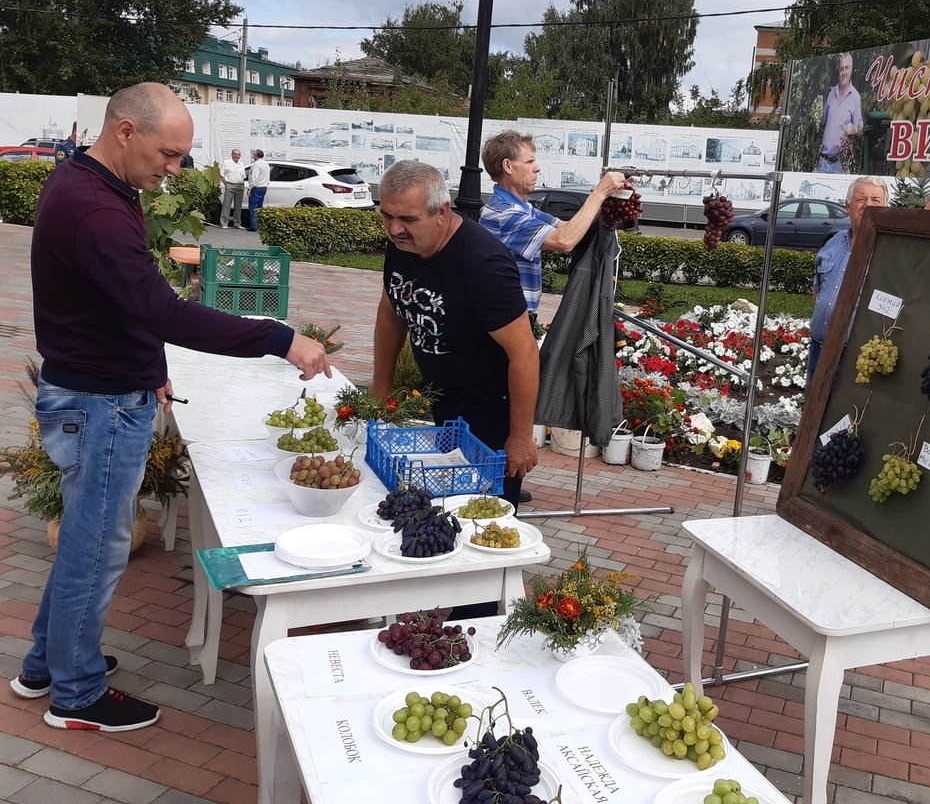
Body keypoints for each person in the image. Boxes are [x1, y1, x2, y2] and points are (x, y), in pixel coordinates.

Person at [14, 82, 332, 732]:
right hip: (99, 407)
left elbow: (118, 305)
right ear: (126, 131)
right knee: (95, 548)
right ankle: (74, 696)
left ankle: (46, 664)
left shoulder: (94, 185)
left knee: (83, 537)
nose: (176, 168)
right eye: (170, 153)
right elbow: (161, 310)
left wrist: (150, 369)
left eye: (183, 157)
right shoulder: (96, 208)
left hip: (102, 389)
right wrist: (279, 338)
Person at [371, 160, 538, 517]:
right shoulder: (403, 244)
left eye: (408, 220)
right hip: (445, 398)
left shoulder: (483, 264)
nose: (395, 229)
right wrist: (380, 386)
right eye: (387, 216)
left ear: (442, 212)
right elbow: (392, 306)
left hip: (493, 408)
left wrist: (521, 436)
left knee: (486, 513)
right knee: (445, 506)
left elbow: (524, 352)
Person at [479, 130, 629, 319]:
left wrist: (606, 196)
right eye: (529, 162)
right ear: (508, 166)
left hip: (513, 314)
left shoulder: (522, 207)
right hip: (506, 315)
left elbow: (566, 227)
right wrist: (599, 193)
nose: (537, 168)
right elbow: (564, 240)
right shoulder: (504, 213)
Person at [807, 176, 888, 383]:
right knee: (813, 411)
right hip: (819, 350)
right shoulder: (834, 243)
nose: (868, 205)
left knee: (847, 414)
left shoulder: (890, 251)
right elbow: (817, 289)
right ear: (847, 205)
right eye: (861, 199)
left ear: (886, 207)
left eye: (876, 200)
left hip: (857, 358)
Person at [818, 53, 864, 174]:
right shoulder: (831, 93)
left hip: (839, 165)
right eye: (841, 69)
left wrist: (855, 129)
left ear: (851, 70)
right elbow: (823, 122)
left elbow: (861, 131)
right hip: (823, 162)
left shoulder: (855, 97)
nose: (843, 72)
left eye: (846, 68)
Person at [219, 148, 245, 228]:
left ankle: (237, 224)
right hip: (230, 185)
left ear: (240, 156)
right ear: (232, 155)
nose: (236, 156)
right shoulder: (227, 163)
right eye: (235, 154)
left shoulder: (241, 164)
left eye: (238, 154)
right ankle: (224, 223)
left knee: (238, 206)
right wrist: (226, 185)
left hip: (240, 186)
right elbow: (222, 175)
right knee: (226, 205)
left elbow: (243, 176)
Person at [245, 149, 270, 231]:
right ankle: (259, 225)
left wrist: (250, 188)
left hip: (257, 187)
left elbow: (254, 177)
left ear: (256, 155)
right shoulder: (266, 164)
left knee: (253, 207)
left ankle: (253, 226)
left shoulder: (256, 164)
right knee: (260, 207)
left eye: (253, 155)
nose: (253, 156)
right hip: (264, 187)